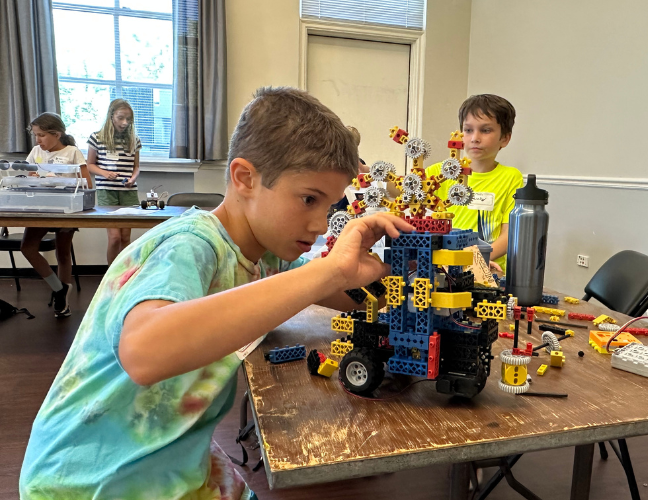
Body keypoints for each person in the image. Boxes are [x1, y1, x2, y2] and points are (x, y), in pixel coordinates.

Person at [19, 87, 413, 500]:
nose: (320, 223)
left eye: (330, 205)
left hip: (170, 460)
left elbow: (339, 290)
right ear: (245, 178)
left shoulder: (267, 254)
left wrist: (393, 274)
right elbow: (144, 352)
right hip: (88, 479)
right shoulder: (191, 243)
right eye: (309, 199)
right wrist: (329, 271)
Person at [425, 94, 523, 272]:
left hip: (486, 266)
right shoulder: (440, 172)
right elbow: (403, 189)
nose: (474, 138)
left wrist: (477, 257)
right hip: (442, 266)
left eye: (485, 130)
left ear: (505, 138)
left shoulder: (511, 177)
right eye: (468, 130)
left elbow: (510, 234)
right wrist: (370, 173)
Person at [21, 112, 92, 318]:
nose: (38, 140)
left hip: (66, 207)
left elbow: (87, 182)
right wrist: (32, 176)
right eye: (35, 135)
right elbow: (27, 175)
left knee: (63, 253)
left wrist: (59, 178)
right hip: (40, 207)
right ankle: (58, 287)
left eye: (42, 135)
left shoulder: (72, 152)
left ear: (57, 134)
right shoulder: (35, 152)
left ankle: (63, 302)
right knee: (27, 247)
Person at [86, 98, 142, 264]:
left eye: (129, 119)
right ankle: (110, 276)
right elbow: (89, 165)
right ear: (111, 116)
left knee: (125, 237)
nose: (125, 123)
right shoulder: (96, 138)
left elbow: (136, 167)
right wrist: (104, 173)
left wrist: (132, 179)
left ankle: (124, 275)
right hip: (107, 191)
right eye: (120, 118)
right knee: (115, 237)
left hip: (128, 192)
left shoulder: (134, 140)